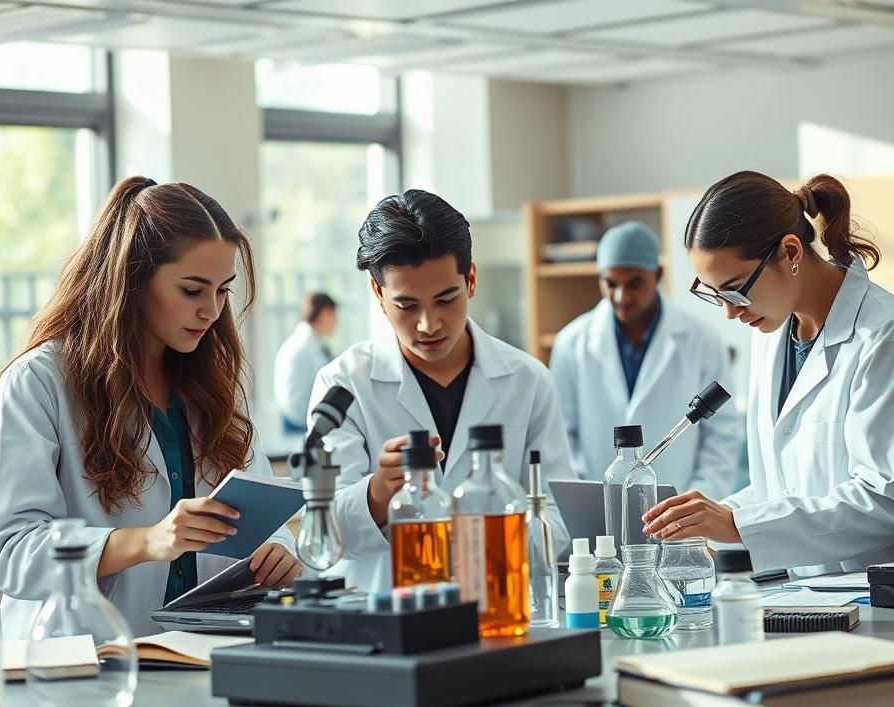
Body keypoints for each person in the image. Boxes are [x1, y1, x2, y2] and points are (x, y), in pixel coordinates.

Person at [0, 177, 302, 639]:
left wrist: (278, 551)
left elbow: (263, 521)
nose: (211, 312)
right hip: (89, 659)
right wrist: (146, 542)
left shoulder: (213, 385)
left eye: (222, 291)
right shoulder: (40, 382)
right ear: (130, 280)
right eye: (192, 290)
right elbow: (7, 553)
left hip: (204, 649)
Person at [641, 172, 894, 577]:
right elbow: (781, 488)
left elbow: (886, 502)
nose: (729, 311)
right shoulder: (771, 336)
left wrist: (737, 525)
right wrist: (716, 516)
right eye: (715, 294)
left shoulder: (888, 337)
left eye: (736, 289)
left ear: (790, 252)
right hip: (813, 600)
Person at [308, 189, 575, 593]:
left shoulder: (528, 380)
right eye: (407, 305)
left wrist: (483, 538)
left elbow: (556, 515)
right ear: (378, 294)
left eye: (445, 299)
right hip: (384, 613)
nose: (428, 324)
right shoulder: (343, 384)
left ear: (470, 280)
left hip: (498, 608)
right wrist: (379, 491)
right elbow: (324, 534)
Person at [549, 221, 740, 497]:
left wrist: (697, 501)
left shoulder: (702, 339)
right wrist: (587, 498)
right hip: (599, 512)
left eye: (634, 283)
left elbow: (721, 436)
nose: (621, 296)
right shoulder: (570, 343)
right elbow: (562, 438)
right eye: (610, 283)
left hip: (682, 511)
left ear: (658, 274)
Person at [274, 292, 338, 434]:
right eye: (334, 315)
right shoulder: (305, 348)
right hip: (300, 425)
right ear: (326, 313)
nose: (337, 321)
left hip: (296, 420)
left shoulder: (304, 343)